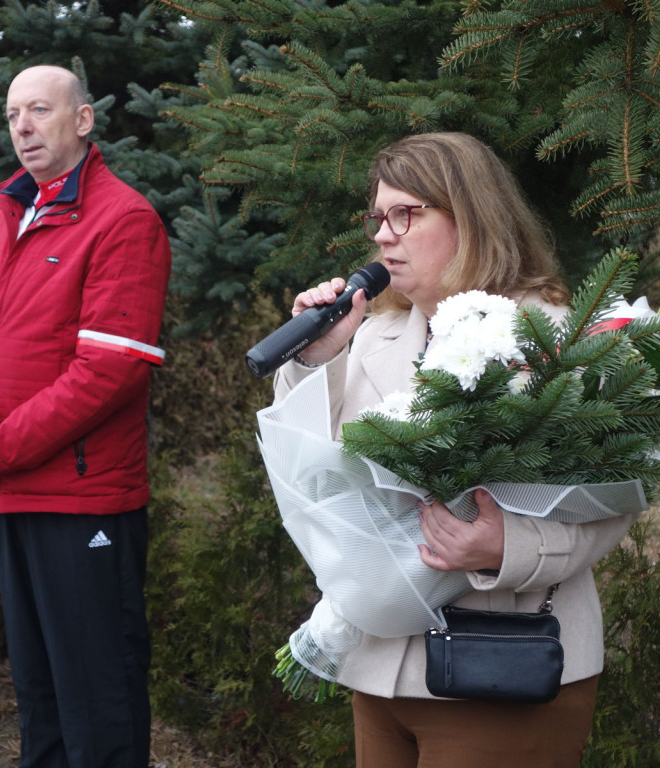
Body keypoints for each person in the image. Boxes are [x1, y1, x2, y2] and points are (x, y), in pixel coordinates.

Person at [273, 132, 636, 768]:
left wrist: (508, 548)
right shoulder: (376, 331)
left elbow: (615, 499)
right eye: (378, 218)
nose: (384, 236)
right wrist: (313, 361)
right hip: (380, 665)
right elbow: (319, 472)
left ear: (469, 217)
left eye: (405, 214)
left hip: (503, 661)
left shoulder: (551, 335)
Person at [0, 65, 171, 768]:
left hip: (83, 502)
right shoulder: (7, 217)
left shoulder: (123, 219)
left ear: (82, 119)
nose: (22, 125)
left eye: (39, 109)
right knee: (38, 698)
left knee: (97, 704)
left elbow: (110, 371)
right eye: (13, 112)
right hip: (11, 492)